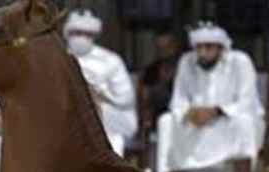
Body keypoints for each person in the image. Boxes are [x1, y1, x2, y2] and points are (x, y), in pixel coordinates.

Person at [157, 23, 264, 172]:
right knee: (166, 121)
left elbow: (247, 101)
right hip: (196, 119)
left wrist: (216, 111)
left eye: (208, 47)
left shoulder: (240, 61)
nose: (202, 52)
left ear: (221, 48)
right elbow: (178, 99)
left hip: (228, 117)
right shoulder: (187, 61)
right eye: (198, 47)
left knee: (244, 123)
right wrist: (188, 113)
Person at [63, 9, 137, 156]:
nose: (82, 38)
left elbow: (126, 98)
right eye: (77, 33)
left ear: (94, 36)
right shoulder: (56, 58)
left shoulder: (110, 60)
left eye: (87, 34)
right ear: (68, 34)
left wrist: (99, 94)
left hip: (106, 115)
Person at [138, 29, 182, 136]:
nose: (164, 51)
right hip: (156, 123)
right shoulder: (150, 71)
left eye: (168, 46)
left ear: (175, 46)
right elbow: (144, 99)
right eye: (160, 48)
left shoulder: (185, 68)